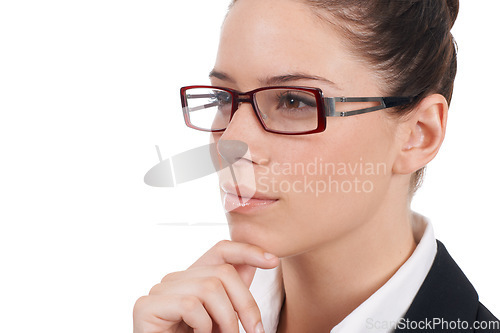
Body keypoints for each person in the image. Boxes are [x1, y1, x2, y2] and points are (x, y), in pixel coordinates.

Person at [134, 0, 499, 332]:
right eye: (222, 97)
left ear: (419, 134)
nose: (232, 142)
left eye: (294, 101)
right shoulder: (193, 321)